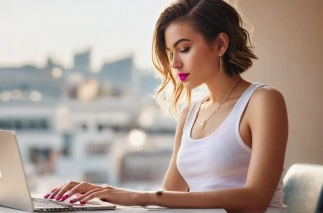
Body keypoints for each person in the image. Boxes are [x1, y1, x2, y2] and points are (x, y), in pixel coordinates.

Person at [44, 0, 288, 212]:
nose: (174, 64)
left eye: (184, 49)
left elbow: (255, 200)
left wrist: (142, 197)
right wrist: (107, 195)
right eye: (171, 53)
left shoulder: (263, 101)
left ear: (220, 45)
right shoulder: (190, 112)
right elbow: (171, 193)